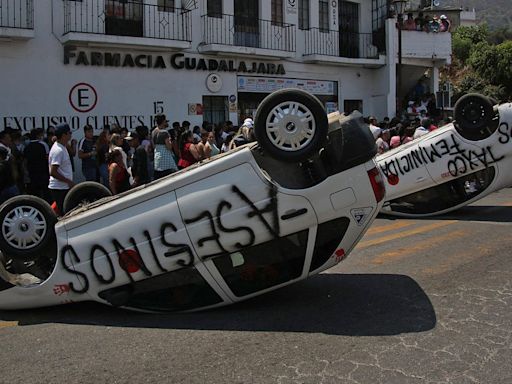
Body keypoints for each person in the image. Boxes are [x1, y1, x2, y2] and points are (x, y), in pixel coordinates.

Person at [48, 123, 75, 214]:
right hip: (59, 188)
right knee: (64, 213)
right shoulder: (58, 150)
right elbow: (53, 172)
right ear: (64, 135)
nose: (71, 134)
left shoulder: (63, 146)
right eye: (69, 132)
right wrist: (68, 181)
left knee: (61, 211)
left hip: (63, 187)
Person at [24, 128, 50, 202]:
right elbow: (48, 159)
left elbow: (25, 161)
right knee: (46, 194)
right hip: (43, 173)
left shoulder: (27, 146)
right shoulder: (43, 145)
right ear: (38, 135)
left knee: (35, 195)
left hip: (32, 174)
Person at [152, 114, 177, 179]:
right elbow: (169, 147)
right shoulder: (165, 132)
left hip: (157, 156)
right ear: (163, 121)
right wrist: (171, 142)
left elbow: (153, 145)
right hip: (165, 156)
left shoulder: (153, 132)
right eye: (165, 121)